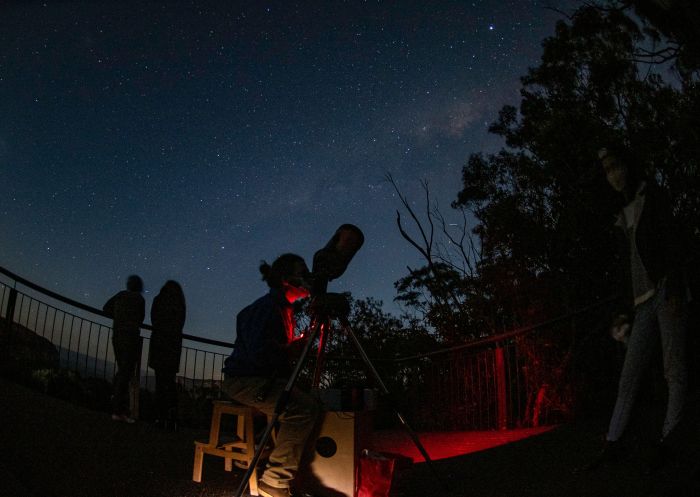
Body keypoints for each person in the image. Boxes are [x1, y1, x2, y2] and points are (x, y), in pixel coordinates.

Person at [591, 144, 689, 470]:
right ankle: (613, 443)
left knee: (673, 369)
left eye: (616, 167)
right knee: (629, 376)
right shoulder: (620, 213)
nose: (613, 175)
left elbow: (672, 240)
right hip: (641, 304)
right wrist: (622, 310)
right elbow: (626, 266)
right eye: (607, 171)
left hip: (663, 291)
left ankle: (671, 439)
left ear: (628, 165)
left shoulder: (653, 196)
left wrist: (675, 286)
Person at [222, 254, 320, 497]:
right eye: (302, 272)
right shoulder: (268, 308)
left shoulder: (280, 307)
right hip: (245, 381)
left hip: (256, 378)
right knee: (302, 409)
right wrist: (292, 349)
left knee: (302, 400)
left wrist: (290, 348)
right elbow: (260, 355)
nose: (307, 277)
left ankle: (274, 458)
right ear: (286, 280)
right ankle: (273, 483)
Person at [103, 275, 146, 423]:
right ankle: (119, 411)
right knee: (125, 373)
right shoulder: (140, 300)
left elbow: (106, 308)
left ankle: (116, 405)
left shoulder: (121, 295)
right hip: (130, 338)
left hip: (117, 335)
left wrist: (118, 317)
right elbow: (141, 319)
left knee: (123, 371)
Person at [148, 280, 186, 431]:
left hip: (159, 345)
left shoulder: (159, 300)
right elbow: (180, 324)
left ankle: (160, 418)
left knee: (160, 383)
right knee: (170, 384)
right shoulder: (180, 304)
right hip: (173, 347)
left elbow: (154, 320)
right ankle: (172, 419)